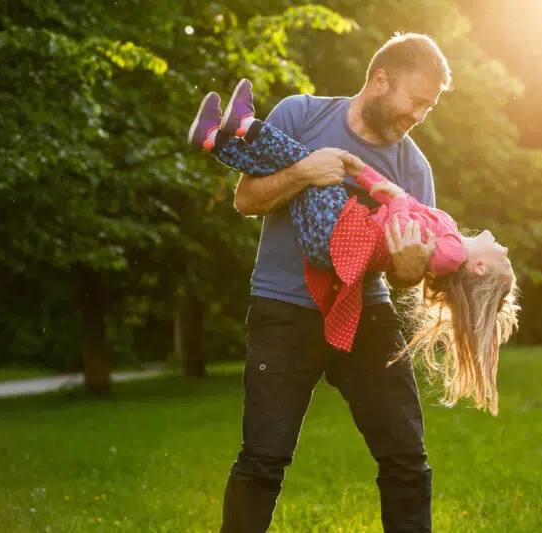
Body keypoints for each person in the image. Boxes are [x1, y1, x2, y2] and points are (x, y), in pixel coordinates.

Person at [196, 33, 471, 533]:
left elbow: (407, 274)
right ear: (380, 80)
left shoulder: (414, 168)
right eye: (415, 101)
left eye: (429, 108)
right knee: (262, 461)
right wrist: (303, 172)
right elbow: (247, 200)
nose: (419, 116)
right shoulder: (301, 115)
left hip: (368, 312)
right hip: (284, 311)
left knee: (407, 459)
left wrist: (410, 272)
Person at [189, 80, 519, 414]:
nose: (506, 251)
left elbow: (402, 228)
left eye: (504, 261)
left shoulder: (451, 254)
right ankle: (213, 139)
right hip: (333, 239)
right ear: (381, 79)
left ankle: (244, 125)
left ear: (479, 268)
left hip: (338, 233)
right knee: (294, 168)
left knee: (307, 162)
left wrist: (397, 200)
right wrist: (363, 174)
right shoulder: (448, 234)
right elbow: (397, 200)